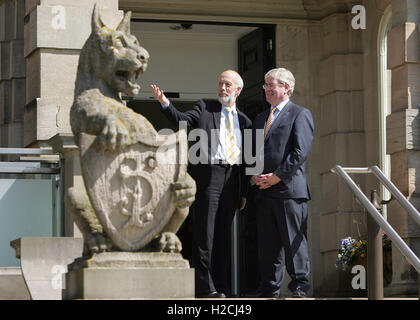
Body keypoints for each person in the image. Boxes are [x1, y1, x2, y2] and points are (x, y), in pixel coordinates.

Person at [150, 70, 252, 298]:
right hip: (210, 177)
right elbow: (182, 120)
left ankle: (222, 287)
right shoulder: (205, 107)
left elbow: (247, 160)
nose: (222, 88)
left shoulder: (245, 121)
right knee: (205, 235)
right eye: (220, 84)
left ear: (238, 90)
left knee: (223, 238)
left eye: (227, 85)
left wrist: (243, 191)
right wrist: (165, 103)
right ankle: (205, 289)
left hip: (232, 180)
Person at [250, 67, 314, 298]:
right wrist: (254, 176)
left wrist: (277, 176)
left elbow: (300, 152)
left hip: (289, 190)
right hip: (264, 192)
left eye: (271, 85)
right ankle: (269, 288)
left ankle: (299, 286)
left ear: (286, 88)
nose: (266, 89)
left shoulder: (300, 114)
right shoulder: (259, 119)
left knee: (293, 242)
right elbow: (253, 152)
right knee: (268, 247)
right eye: (265, 85)